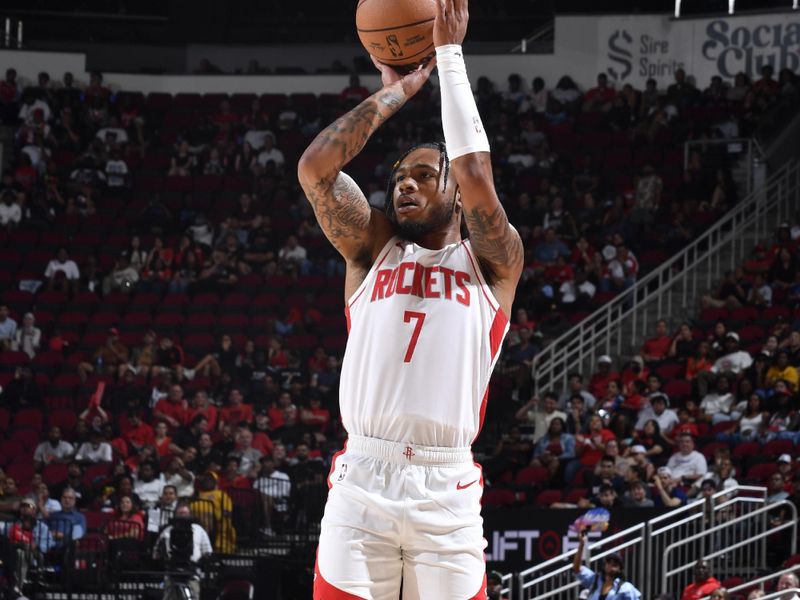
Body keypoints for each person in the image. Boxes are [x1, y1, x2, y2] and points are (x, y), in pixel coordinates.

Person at [297, 2, 523, 596]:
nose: (405, 181)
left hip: (444, 482)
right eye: (399, 175)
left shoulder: (494, 262)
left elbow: (476, 172)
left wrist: (448, 57)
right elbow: (316, 168)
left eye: (424, 174)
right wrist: (395, 92)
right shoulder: (372, 251)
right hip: (362, 478)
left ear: (451, 190)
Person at [153, 503, 213, 600]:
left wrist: (201, 562)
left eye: (185, 513)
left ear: (190, 514)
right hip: (171, 572)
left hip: (192, 572)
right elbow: (156, 552)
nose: (183, 515)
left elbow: (208, 552)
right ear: (175, 515)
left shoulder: (199, 530)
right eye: (180, 513)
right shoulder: (167, 531)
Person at [572, 529, 641, 599]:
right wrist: (581, 544)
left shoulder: (626, 588)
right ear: (604, 565)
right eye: (608, 561)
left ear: (620, 569)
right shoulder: (595, 580)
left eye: (615, 563)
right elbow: (577, 568)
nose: (611, 564)